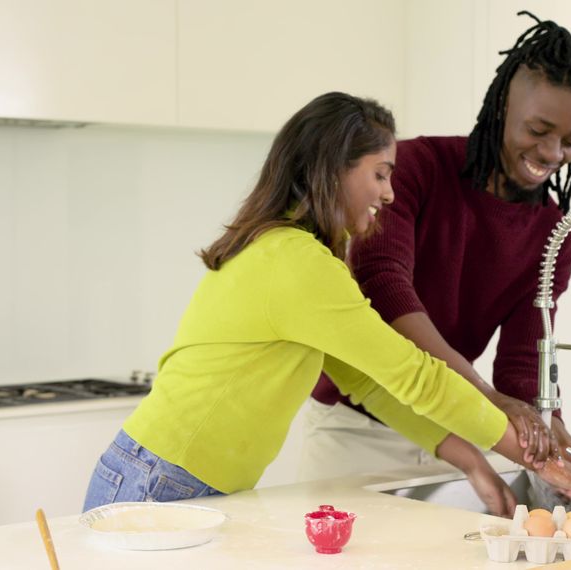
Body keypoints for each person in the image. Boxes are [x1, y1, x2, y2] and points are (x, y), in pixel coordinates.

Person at [81, 92, 544, 512]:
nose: (389, 192)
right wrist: (523, 452)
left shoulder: (300, 255)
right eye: (380, 174)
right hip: (160, 480)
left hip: (174, 477)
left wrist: (471, 461)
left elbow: (365, 381)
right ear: (333, 169)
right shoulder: (296, 261)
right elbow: (414, 375)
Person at [301, 12, 571, 516]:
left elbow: (522, 371)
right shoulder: (417, 168)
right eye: (538, 129)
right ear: (503, 106)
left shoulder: (554, 234)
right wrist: (486, 396)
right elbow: (382, 287)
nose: (552, 153)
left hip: (453, 428)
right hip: (357, 430)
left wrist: (562, 444)